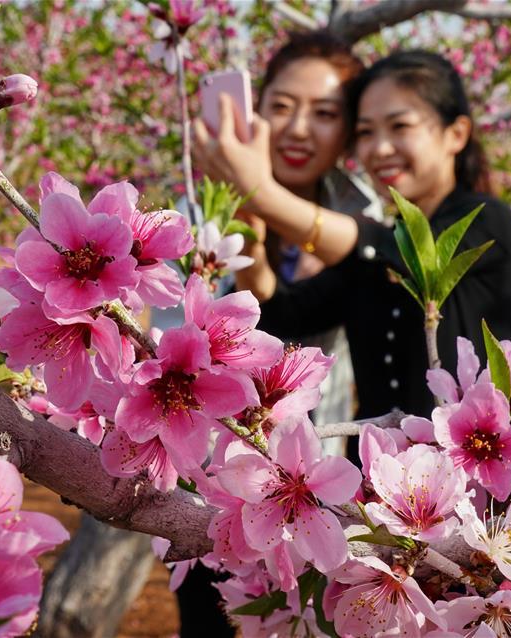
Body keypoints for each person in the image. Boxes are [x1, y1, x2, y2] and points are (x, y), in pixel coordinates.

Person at [195, 50, 511, 451]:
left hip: (473, 472)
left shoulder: (487, 220)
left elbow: (395, 252)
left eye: (399, 126)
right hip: (376, 489)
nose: (380, 148)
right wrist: (248, 216)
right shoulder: (372, 260)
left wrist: (264, 194)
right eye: (367, 132)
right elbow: (279, 313)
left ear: (455, 134)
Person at [178, 32, 381, 637]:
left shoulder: (366, 216)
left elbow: (300, 317)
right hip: (213, 473)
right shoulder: (202, 210)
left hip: (316, 473)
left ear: (348, 132)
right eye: (282, 106)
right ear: (257, 113)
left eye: (324, 114)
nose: (299, 129)